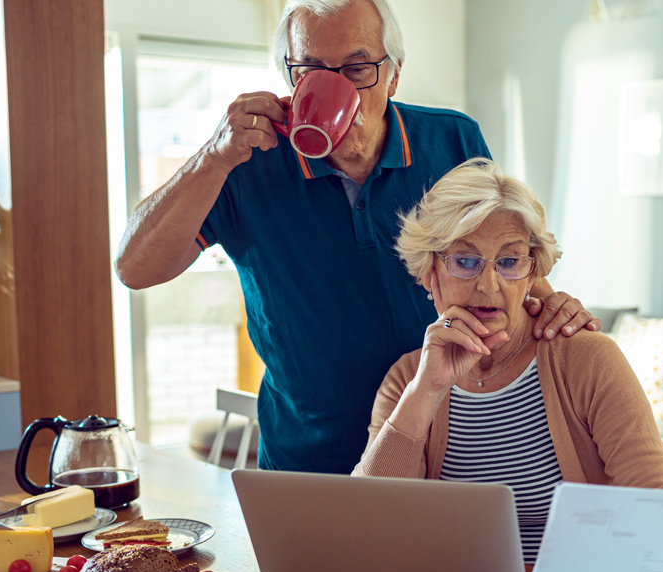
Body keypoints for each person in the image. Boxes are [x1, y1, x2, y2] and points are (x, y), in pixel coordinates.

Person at [113, 0, 597, 474]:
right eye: (311, 69)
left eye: (358, 68)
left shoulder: (451, 141)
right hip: (307, 465)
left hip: (444, 452)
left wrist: (549, 302)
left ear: (394, 74)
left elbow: (500, 253)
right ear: (289, 77)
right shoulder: (245, 160)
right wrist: (213, 157)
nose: (336, 87)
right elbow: (134, 268)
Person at [353, 158, 663, 572]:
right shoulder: (407, 380)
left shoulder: (585, 358)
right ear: (429, 273)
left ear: (532, 273)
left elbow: (654, 499)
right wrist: (428, 389)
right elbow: (367, 530)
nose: (489, 285)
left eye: (509, 262)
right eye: (465, 260)